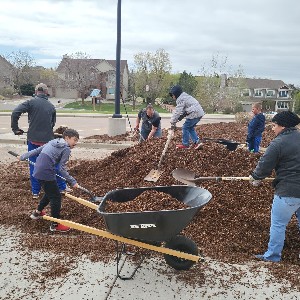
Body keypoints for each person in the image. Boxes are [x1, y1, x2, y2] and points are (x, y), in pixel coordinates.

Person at [249, 111, 300, 262]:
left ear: (283, 126)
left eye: (274, 125)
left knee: (278, 224)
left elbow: (265, 164)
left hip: (288, 192)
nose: (272, 129)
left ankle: (272, 256)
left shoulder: (278, 143)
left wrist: (256, 177)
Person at [17, 128, 80, 232]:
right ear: (67, 138)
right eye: (74, 140)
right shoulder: (66, 149)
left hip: (38, 170)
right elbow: (62, 168)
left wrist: (23, 157)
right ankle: (55, 224)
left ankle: (37, 212)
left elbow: (37, 151)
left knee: (50, 192)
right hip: (46, 172)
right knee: (56, 197)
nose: (76, 143)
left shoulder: (53, 142)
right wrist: (73, 181)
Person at [11, 83, 67, 198]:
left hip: (33, 140)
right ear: (46, 92)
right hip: (48, 141)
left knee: (34, 165)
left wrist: (15, 129)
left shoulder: (30, 102)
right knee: (53, 165)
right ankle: (61, 187)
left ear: (36, 92)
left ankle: (35, 192)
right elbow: (52, 123)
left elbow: (15, 112)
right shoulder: (51, 106)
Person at [169, 85, 205, 149]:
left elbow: (178, 111)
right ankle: (197, 142)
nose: (172, 97)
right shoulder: (184, 96)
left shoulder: (180, 99)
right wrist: (179, 118)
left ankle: (185, 144)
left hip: (194, 113)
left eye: (173, 95)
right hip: (199, 112)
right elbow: (183, 111)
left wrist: (172, 121)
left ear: (176, 94)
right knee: (190, 128)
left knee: (185, 127)